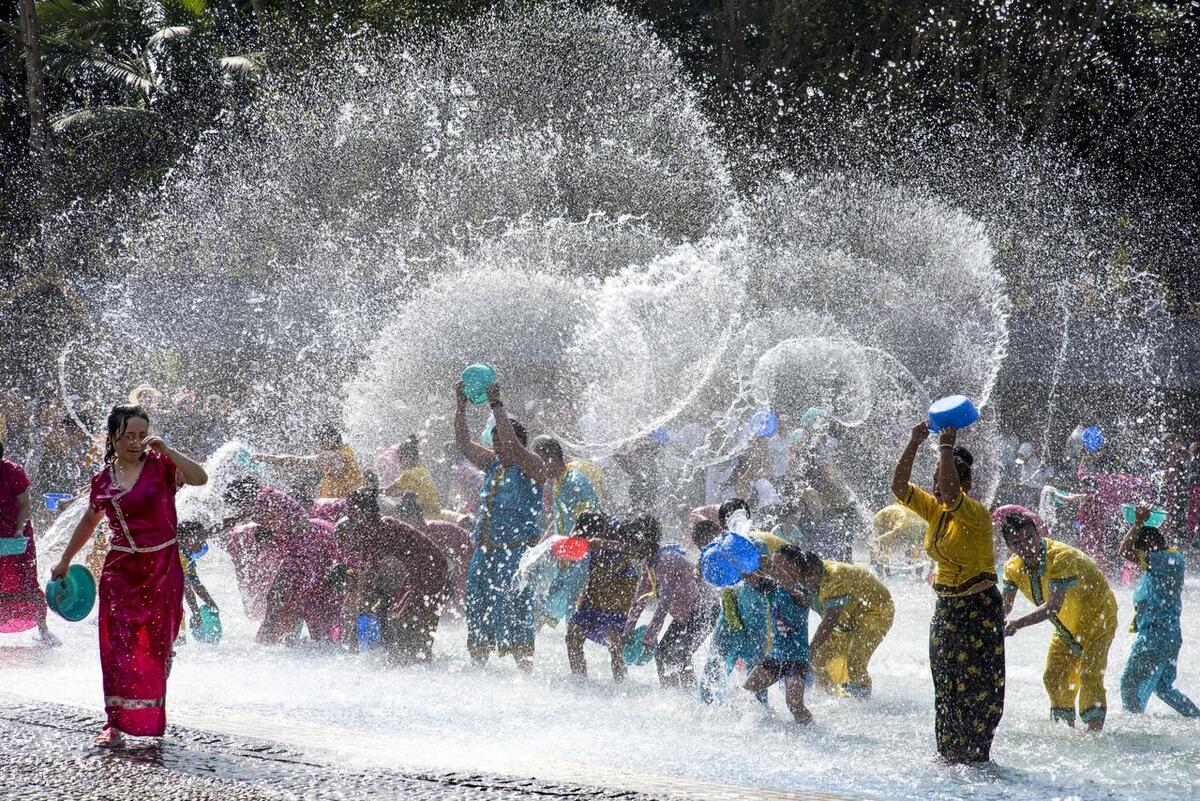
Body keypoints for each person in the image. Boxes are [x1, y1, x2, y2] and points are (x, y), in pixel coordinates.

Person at [52, 404, 208, 746]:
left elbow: (201, 478)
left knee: (155, 645)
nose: (136, 443)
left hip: (164, 569)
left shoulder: (162, 466)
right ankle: (115, 724)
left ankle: (148, 713)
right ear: (113, 438)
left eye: (141, 435)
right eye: (128, 436)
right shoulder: (104, 481)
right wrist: (65, 559)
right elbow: (89, 523)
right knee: (118, 647)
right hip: (121, 573)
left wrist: (168, 450)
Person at [892, 421, 1003, 764]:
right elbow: (899, 487)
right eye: (936, 482)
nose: (936, 489)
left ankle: (977, 759)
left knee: (979, 689)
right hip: (947, 610)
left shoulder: (975, 514)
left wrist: (945, 447)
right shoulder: (936, 511)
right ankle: (949, 756)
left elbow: (953, 496)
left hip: (978, 608)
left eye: (942, 480)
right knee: (945, 685)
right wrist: (914, 442)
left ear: (964, 483)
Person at [997, 505, 1118, 731]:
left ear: (1038, 534)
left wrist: (1016, 625)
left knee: (1090, 674)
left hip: (1098, 617)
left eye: (1030, 538)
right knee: (1053, 676)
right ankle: (1066, 730)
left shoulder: (1061, 557)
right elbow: (1004, 608)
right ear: (1009, 547)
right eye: (1018, 543)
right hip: (1066, 625)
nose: (1027, 546)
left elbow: (1052, 607)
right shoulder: (1012, 568)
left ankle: (1094, 737)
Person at [455, 380, 548, 671]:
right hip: (485, 552)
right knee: (477, 608)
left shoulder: (533, 466)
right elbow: (463, 444)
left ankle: (524, 672)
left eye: (502, 441)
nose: (496, 447)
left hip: (516, 554)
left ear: (517, 443)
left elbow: (516, 450)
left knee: (516, 609)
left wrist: (496, 405)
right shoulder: (495, 463)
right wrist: (460, 406)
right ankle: (479, 669)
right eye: (494, 442)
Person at [337, 487, 448, 664]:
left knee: (406, 620)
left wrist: (356, 628)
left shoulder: (378, 530)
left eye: (351, 511)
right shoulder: (375, 528)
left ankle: (415, 661)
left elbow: (366, 581)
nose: (349, 516)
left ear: (363, 512)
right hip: (420, 571)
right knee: (399, 617)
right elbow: (367, 576)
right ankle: (414, 656)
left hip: (430, 570)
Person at [226, 481, 344, 645]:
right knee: (283, 595)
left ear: (243, 497)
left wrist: (277, 529)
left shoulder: (262, 500)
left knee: (279, 595)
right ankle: (279, 637)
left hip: (304, 545)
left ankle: (269, 640)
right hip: (307, 542)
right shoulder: (266, 497)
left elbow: (298, 522)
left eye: (237, 503)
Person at [766, 547, 894, 698]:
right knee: (819, 658)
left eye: (808, 579)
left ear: (815, 571)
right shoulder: (803, 577)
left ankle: (863, 703)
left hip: (875, 611)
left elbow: (829, 622)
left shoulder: (834, 577)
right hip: (846, 618)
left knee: (855, 660)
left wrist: (809, 651)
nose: (806, 584)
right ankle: (830, 696)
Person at [1118, 505, 1199, 717]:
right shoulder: (1168, 560)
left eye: (1141, 548)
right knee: (1163, 689)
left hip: (1156, 636)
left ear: (1150, 545)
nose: (1137, 556)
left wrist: (1137, 523)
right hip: (1169, 635)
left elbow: (1124, 551)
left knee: (1129, 684)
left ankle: (1133, 731)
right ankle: (1195, 717)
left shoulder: (1164, 561)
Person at [567, 514, 660, 682]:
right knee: (573, 635)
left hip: (621, 583)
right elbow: (576, 535)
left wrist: (600, 543)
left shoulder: (618, 526)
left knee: (614, 641)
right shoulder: (587, 521)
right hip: (596, 582)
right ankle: (579, 681)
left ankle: (621, 685)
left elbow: (634, 549)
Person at [623, 537, 717, 689]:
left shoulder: (666, 560)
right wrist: (626, 632)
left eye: (631, 543)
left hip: (705, 610)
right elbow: (639, 600)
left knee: (681, 656)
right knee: (661, 654)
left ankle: (691, 697)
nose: (628, 548)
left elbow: (663, 605)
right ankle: (670, 693)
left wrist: (649, 637)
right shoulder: (648, 562)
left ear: (643, 542)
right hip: (685, 615)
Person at [0, 438, 58, 644]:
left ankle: (44, 631)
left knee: (26, 580)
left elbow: (25, 505)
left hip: (18, 536)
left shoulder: (13, 471)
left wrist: (18, 530)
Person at [253, 423, 364, 499]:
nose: (315, 447)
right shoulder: (344, 451)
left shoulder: (334, 457)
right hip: (339, 504)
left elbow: (297, 462)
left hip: (341, 507)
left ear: (328, 441)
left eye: (316, 443)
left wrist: (267, 458)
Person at [535, 435, 600, 538]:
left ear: (552, 459)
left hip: (581, 547)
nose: (539, 467)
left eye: (541, 462)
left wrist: (569, 543)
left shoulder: (573, 482)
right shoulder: (559, 481)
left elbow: (585, 522)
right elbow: (559, 520)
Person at [177, 521, 219, 638]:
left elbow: (195, 583)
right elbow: (187, 588)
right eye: (200, 537)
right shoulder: (177, 555)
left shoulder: (186, 554)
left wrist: (210, 603)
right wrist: (196, 613)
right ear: (186, 539)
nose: (203, 541)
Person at [383, 435, 443, 519]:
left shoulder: (408, 474)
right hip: (436, 516)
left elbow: (387, 491)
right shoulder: (424, 471)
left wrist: (370, 490)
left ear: (406, 458)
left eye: (399, 459)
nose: (399, 463)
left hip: (422, 518)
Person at [868, 502, 928, 577]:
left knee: (878, 545)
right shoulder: (896, 513)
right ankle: (918, 576)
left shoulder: (879, 518)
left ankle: (883, 575)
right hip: (917, 523)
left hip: (904, 524)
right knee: (917, 549)